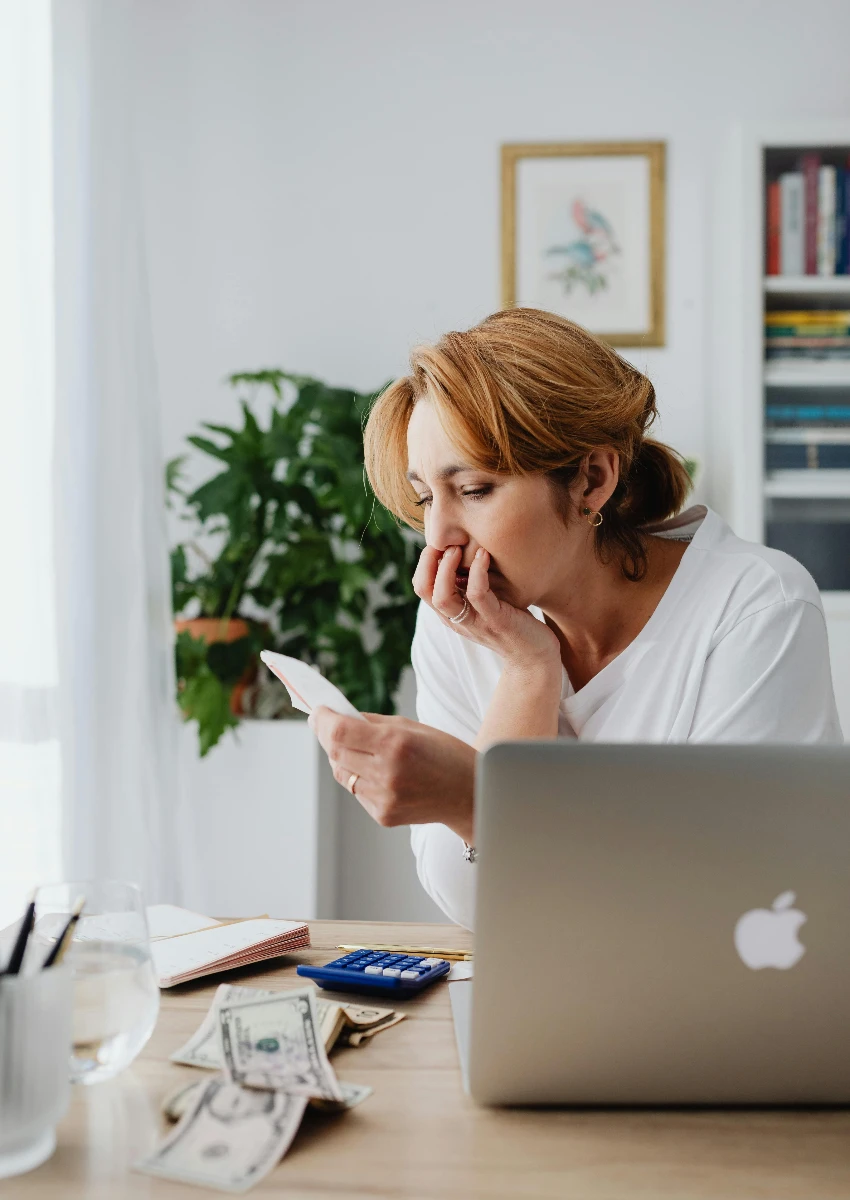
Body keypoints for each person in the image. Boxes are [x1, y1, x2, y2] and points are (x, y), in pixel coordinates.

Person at [309, 308, 842, 929]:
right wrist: (527, 670)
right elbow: (478, 910)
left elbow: (741, 907)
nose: (440, 537)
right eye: (426, 498)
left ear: (592, 478)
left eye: (475, 490)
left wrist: (481, 801)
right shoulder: (456, 625)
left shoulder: (755, 608)